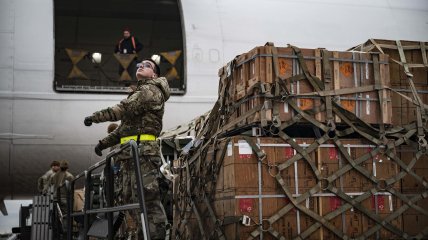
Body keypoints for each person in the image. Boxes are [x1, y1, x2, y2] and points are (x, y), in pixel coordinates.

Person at [84, 59, 170, 239]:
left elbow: (122, 109)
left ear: (154, 74)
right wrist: (103, 143)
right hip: (132, 154)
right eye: (139, 64)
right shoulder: (139, 92)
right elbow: (124, 129)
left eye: (147, 65)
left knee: (148, 199)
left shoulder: (150, 90)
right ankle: (143, 235)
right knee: (131, 199)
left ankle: (157, 235)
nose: (140, 66)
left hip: (143, 153)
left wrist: (95, 117)